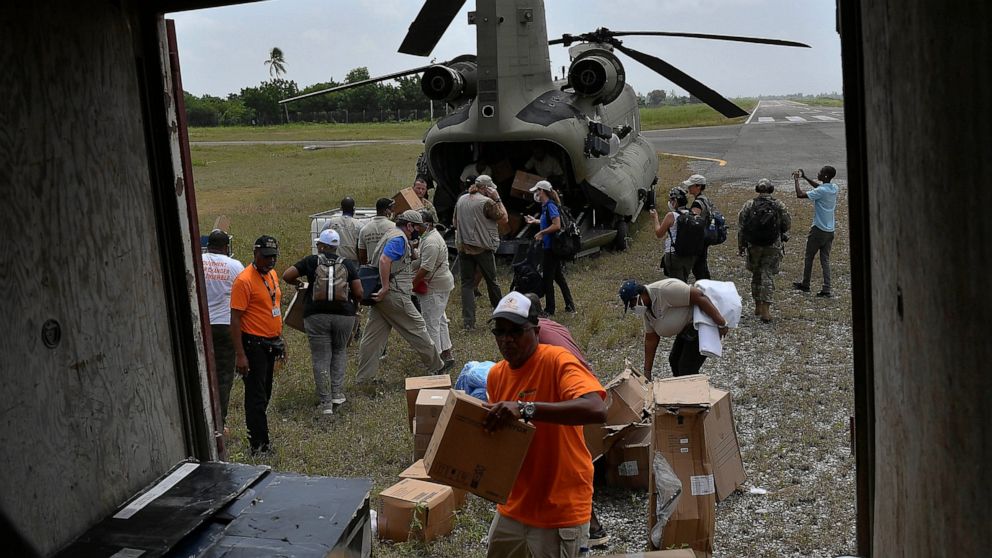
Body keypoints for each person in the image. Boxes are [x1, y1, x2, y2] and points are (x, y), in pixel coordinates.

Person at [482, 291, 607, 558]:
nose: (506, 340)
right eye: (499, 332)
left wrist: (526, 409)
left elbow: (596, 408)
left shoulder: (558, 361)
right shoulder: (496, 375)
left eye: (515, 331)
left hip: (560, 508)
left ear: (536, 330)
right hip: (514, 507)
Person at [521, 294, 608, 548]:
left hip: (575, 394)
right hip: (581, 386)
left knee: (567, 463)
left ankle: (593, 528)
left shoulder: (537, 338)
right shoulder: (553, 326)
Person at [355, 210, 444, 385]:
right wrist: (386, 286)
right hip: (393, 294)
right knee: (417, 327)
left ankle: (364, 379)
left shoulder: (392, 233)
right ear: (409, 226)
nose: (419, 231)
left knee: (373, 337)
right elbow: (384, 260)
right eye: (417, 228)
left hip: (381, 296)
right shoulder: (399, 239)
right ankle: (437, 366)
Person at [282, 229, 362, 417]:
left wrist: (298, 283)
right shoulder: (348, 264)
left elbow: (287, 275)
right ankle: (338, 395)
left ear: (323, 246)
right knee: (340, 351)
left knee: (321, 358)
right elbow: (358, 292)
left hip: (316, 315)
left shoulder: (311, 261)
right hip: (344, 316)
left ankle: (325, 403)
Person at [230, 235, 284, 456]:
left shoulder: (271, 275)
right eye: (265, 257)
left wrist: (281, 340)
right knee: (256, 397)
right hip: (253, 345)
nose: (270, 262)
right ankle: (259, 445)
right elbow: (235, 320)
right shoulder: (244, 281)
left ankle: (260, 438)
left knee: (266, 393)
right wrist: (240, 355)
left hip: (271, 343)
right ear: (255, 254)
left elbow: (275, 307)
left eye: (273, 257)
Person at [618, 278, 729, 379]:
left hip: (699, 326)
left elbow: (700, 296)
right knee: (674, 361)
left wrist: (721, 323)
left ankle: (694, 396)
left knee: (686, 368)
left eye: (632, 304)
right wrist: (647, 372)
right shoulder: (647, 310)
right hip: (685, 331)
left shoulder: (665, 290)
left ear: (639, 295)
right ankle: (682, 392)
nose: (633, 308)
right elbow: (651, 340)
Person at [201, 229, 244, 428]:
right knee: (223, 375)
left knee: (200, 370)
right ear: (226, 247)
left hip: (200, 325)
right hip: (225, 325)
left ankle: (200, 415)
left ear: (208, 245)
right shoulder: (235, 266)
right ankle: (219, 422)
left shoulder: (197, 261)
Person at [453, 174, 507, 330]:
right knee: (492, 282)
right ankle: (501, 318)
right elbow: (503, 219)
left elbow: (455, 223)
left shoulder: (461, 199)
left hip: (464, 247)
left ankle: (468, 323)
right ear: (485, 188)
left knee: (467, 285)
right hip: (483, 248)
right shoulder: (487, 202)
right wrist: (497, 199)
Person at [738, 178, 792, 322]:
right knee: (767, 273)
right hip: (772, 245)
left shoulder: (749, 205)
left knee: (756, 273)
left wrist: (741, 245)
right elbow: (787, 224)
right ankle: (766, 310)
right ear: (771, 189)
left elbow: (741, 226)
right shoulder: (778, 205)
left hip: (754, 245)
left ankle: (757, 305)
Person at [524, 180, 576, 315]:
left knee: (548, 279)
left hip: (551, 248)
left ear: (542, 191)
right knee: (559, 278)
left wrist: (542, 232)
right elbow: (547, 221)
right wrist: (535, 221)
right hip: (551, 247)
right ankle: (570, 304)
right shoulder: (546, 206)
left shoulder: (551, 206)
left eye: (537, 191)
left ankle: (550, 309)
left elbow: (556, 225)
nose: (535, 194)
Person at [412, 210, 455, 368]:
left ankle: (435, 360)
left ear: (427, 224)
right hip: (441, 283)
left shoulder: (430, 241)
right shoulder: (429, 237)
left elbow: (425, 268)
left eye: (417, 224)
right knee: (440, 320)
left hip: (434, 286)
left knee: (431, 322)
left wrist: (412, 284)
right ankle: (446, 351)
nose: (415, 227)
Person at [792, 166, 839, 297]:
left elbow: (799, 195)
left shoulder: (822, 191)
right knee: (825, 260)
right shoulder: (834, 188)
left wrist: (796, 180)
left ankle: (805, 284)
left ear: (825, 176)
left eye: (820, 172)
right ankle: (827, 288)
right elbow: (819, 187)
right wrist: (805, 177)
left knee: (809, 257)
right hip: (830, 231)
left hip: (818, 230)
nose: (818, 173)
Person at [651, 187, 696, 282]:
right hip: (689, 255)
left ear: (675, 201)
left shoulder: (671, 216)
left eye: (670, 200)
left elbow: (659, 234)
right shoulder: (692, 214)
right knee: (684, 281)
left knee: (676, 285)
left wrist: (655, 218)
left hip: (673, 254)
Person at [684, 174, 714, 280]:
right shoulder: (705, 199)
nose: (689, 187)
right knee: (702, 264)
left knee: (699, 267)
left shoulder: (697, 203)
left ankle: (704, 288)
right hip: (705, 236)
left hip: (699, 239)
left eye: (691, 185)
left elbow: (693, 221)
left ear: (698, 186)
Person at [321, 196, 362, 263]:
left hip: (334, 261)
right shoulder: (359, 225)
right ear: (354, 209)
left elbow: (322, 239)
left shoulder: (330, 223)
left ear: (341, 208)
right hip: (352, 262)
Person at [357, 197, 396, 266]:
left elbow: (362, 256)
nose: (393, 213)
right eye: (392, 210)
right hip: (389, 269)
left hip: (371, 270)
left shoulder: (364, 229)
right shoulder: (394, 227)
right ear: (386, 211)